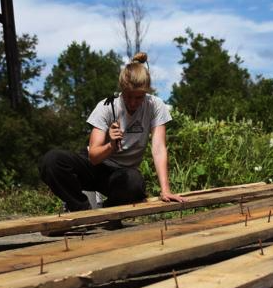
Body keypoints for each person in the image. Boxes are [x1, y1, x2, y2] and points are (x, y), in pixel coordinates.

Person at [39, 52, 185, 212]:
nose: (133, 102)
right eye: (129, 96)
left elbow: (158, 149)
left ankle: (110, 212)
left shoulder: (155, 106)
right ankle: (79, 208)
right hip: (94, 166)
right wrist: (111, 146)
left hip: (120, 175)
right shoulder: (107, 107)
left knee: (135, 183)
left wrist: (166, 190)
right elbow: (93, 157)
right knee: (52, 160)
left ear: (146, 92)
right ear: (122, 89)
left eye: (139, 97)